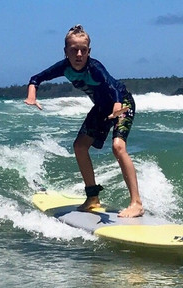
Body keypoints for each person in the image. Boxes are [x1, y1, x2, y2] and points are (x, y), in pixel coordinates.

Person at [25, 24, 144, 217]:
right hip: (101, 108)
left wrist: (116, 107)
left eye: (84, 50)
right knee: (80, 147)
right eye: (74, 50)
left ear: (89, 51)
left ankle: (136, 203)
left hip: (122, 103)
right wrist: (32, 96)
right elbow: (36, 78)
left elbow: (112, 88)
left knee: (118, 147)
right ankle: (93, 197)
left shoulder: (94, 67)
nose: (79, 54)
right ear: (66, 52)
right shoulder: (64, 67)